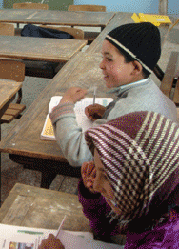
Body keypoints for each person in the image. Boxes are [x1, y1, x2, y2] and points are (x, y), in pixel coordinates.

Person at [41, 111, 179, 248]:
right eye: (98, 170)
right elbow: (105, 228)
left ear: (143, 183)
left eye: (107, 176)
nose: (96, 185)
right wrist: (93, 196)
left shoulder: (165, 241)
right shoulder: (149, 207)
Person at [49, 22, 177, 167]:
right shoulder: (150, 90)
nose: (101, 65)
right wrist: (107, 114)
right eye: (103, 57)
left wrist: (65, 104)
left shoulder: (129, 112)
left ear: (135, 67)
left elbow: (79, 154)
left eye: (109, 59)